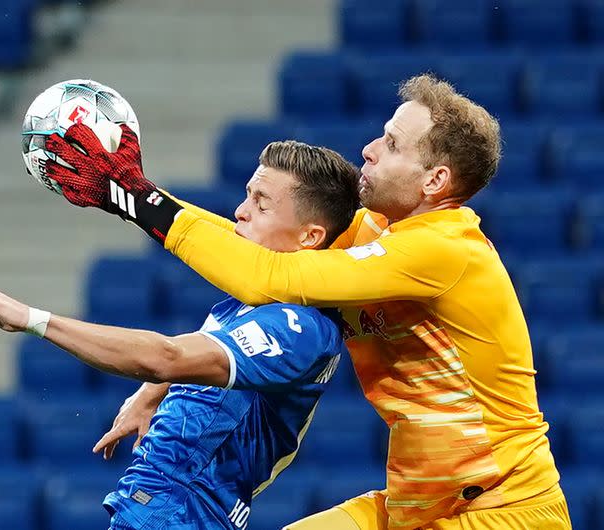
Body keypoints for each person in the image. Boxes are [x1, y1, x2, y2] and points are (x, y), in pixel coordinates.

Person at [42, 74, 571, 530]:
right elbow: (256, 242)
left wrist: (136, 199)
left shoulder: (446, 251)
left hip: (503, 507)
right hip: (418, 505)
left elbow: (263, 276)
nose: (368, 148)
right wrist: (130, 195)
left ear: (435, 181)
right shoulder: (375, 234)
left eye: (390, 144)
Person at [0, 140, 360, 530]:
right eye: (248, 194)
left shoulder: (300, 327)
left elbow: (166, 357)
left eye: (261, 204)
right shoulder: (257, 300)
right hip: (167, 506)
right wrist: (150, 394)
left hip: (184, 511)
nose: (239, 211)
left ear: (309, 237)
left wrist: (32, 318)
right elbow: (201, 365)